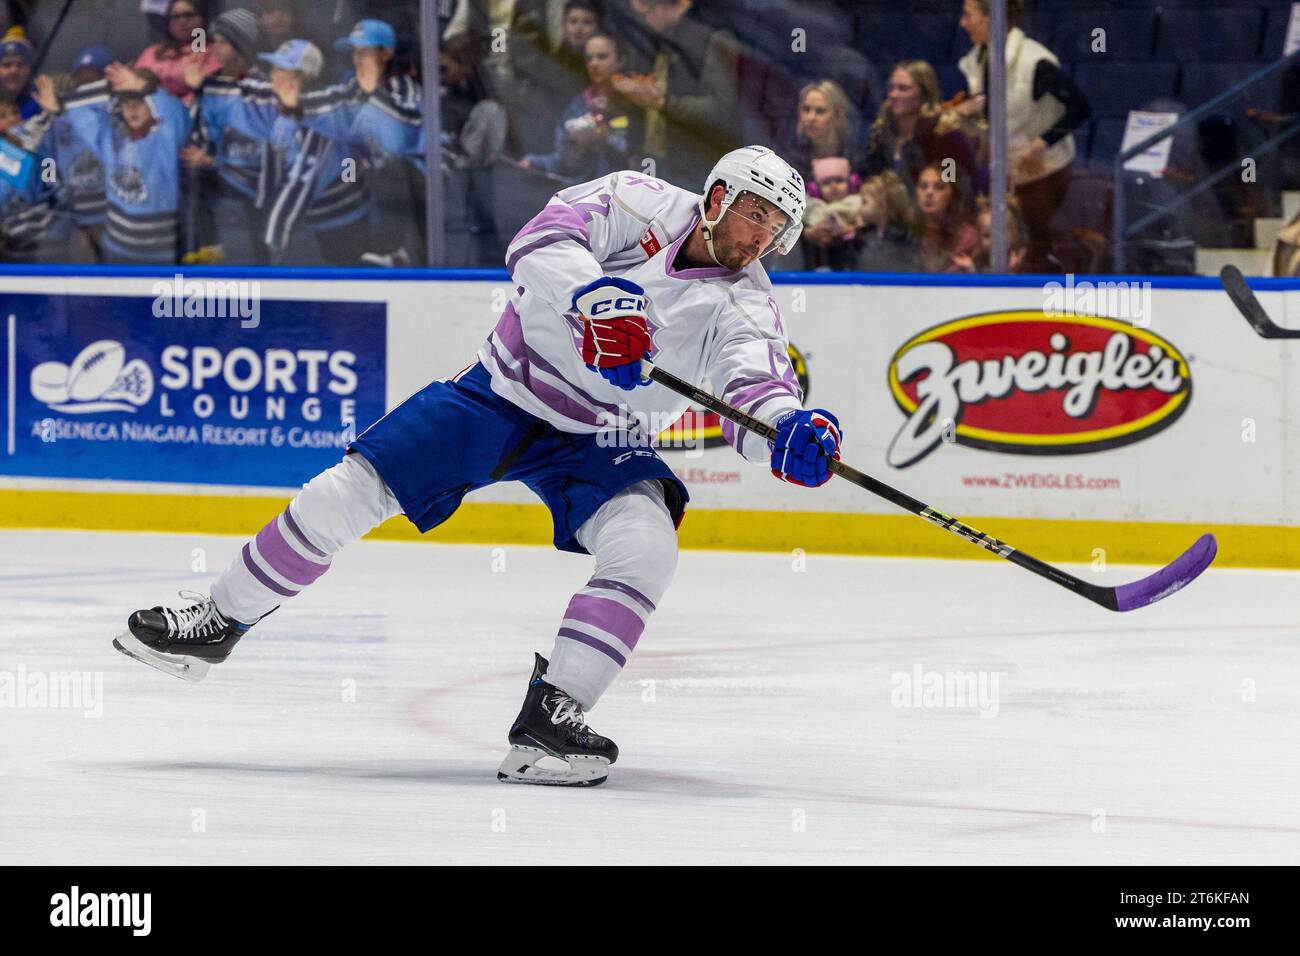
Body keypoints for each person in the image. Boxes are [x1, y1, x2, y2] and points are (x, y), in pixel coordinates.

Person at [115, 145, 844, 788]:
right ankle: (217, 619)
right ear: (718, 197)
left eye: (776, 230)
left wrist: (788, 431)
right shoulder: (639, 198)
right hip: (501, 391)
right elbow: (541, 238)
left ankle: (553, 714)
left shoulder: (746, 305)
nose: (760, 239)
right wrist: (596, 301)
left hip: (600, 433)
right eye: (755, 215)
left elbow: (755, 390)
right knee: (346, 492)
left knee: (647, 546)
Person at [955, 0, 1090, 271]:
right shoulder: (980, 59)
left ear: (991, 18)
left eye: (968, 15)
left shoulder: (1035, 62)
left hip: (1043, 177)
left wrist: (1042, 143)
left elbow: (1080, 107)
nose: (963, 22)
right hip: (1008, 176)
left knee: (1034, 247)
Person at [36, 65, 191, 265]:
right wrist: (61, 108)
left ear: (153, 105)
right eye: (127, 102)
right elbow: (83, 119)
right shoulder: (112, 140)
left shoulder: (165, 143)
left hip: (157, 258)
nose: (132, 109)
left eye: (140, 102)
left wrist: (144, 87)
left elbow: (176, 115)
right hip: (115, 251)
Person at [613, 0, 743, 187]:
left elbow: (719, 109)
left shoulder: (715, 39)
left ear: (668, 6)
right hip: (653, 160)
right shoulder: (657, 39)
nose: (641, 21)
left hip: (696, 166)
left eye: (644, 13)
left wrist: (663, 103)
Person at [521, 32, 635, 182]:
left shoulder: (634, 104)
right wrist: (534, 162)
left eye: (602, 57)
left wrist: (606, 138)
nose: (594, 64)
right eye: (589, 58)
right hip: (583, 196)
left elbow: (641, 158)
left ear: (621, 60)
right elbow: (563, 161)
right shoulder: (577, 105)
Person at [864, 60, 981, 197]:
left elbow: (953, 186)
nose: (893, 95)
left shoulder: (944, 138)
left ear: (924, 94)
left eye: (903, 88)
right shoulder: (881, 135)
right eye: (891, 88)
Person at [134, 0, 222, 105]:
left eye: (189, 15)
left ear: (203, 18)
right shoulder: (153, 52)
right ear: (168, 22)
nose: (182, 21)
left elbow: (209, 88)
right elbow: (135, 84)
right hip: (153, 111)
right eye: (175, 17)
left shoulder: (215, 50)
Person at [854, 169, 922, 272]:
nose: (860, 208)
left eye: (864, 202)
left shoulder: (902, 239)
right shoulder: (865, 236)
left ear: (882, 206)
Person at [916, 161, 977, 273]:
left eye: (939, 187)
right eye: (923, 186)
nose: (929, 193)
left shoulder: (968, 238)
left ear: (952, 194)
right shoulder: (911, 233)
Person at [0, 26, 40, 119]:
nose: (14, 71)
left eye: (20, 65)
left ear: (29, 70)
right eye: (7, 65)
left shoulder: (39, 102)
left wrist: (53, 112)